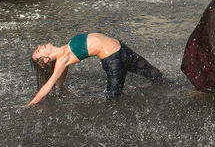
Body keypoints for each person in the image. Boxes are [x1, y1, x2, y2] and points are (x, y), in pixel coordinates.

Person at [25, 33, 169, 106]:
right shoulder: (62, 59)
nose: (38, 47)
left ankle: (176, 90)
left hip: (123, 50)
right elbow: (49, 84)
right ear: (45, 60)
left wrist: (61, 87)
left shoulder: (65, 51)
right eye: (37, 52)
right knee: (114, 100)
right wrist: (31, 104)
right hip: (113, 62)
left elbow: (63, 73)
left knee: (156, 75)